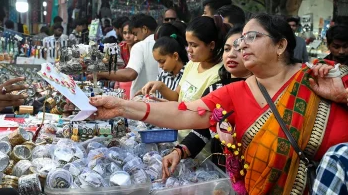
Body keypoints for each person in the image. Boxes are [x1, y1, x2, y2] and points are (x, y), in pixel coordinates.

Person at [89, 13, 348, 195]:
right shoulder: (235, 92)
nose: (242, 45)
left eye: (252, 37)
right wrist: (122, 106)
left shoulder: (323, 77)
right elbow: (182, 113)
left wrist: (343, 96)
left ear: (280, 45)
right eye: (239, 40)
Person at [163, 25, 252, 169]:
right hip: (222, 169)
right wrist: (179, 151)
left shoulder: (261, 90)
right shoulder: (215, 89)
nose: (231, 54)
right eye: (227, 49)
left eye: (240, 49)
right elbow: (202, 130)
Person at [140, 16, 229, 102]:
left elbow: (200, 111)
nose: (189, 50)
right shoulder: (192, 64)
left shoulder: (219, 74)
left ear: (211, 45)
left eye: (194, 45)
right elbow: (177, 97)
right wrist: (161, 86)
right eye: (188, 44)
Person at [96, 14, 159, 97]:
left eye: (135, 33)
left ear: (144, 29)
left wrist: (100, 73)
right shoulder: (161, 44)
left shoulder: (140, 46)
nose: (135, 38)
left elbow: (130, 74)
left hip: (143, 101)